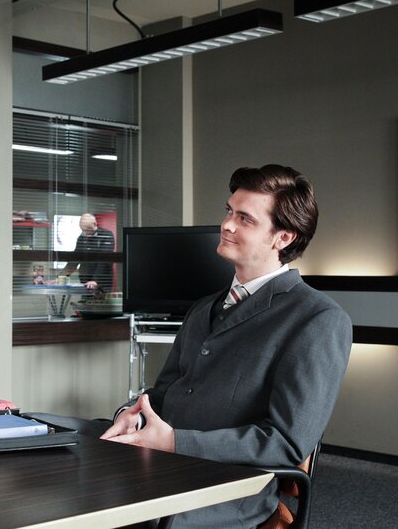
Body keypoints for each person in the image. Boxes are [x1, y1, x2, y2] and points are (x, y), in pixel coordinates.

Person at [101, 165, 352, 527]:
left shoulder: (318, 319)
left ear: (283, 237)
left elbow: (286, 443)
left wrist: (174, 442)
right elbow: (165, 393)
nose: (227, 225)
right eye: (229, 211)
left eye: (244, 218)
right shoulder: (203, 308)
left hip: (228, 490)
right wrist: (133, 413)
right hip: (161, 468)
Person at [58, 213, 115, 290]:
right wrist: (60, 278)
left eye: (88, 230)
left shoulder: (106, 235)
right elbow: (74, 260)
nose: (86, 233)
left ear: (95, 224)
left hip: (101, 282)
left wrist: (95, 280)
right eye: (84, 230)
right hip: (85, 281)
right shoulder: (82, 237)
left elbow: (104, 260)